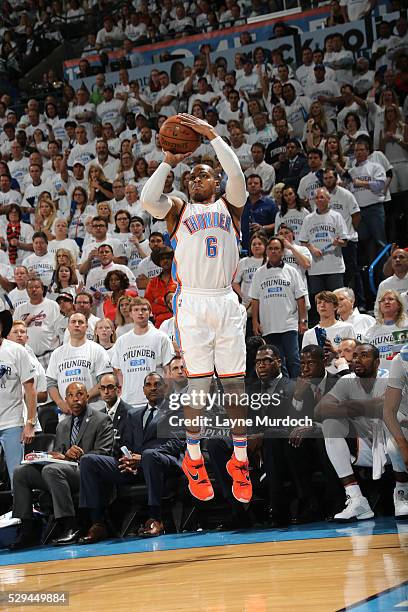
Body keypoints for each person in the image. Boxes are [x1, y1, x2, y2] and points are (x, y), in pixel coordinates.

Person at [141, 113, 253, 504]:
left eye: (203, 175)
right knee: (201, 388)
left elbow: (237, 175)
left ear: (216, 181)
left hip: (225, 299)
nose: (196, 180)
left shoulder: (231, 206)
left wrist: (212, 136)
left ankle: (239, 460)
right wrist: (169, 163)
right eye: (192, 177)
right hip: (192, 303)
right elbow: (146, 200)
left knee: (235, 385)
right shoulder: (177, 210)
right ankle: (193, 458)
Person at [79, 372, 183, 543]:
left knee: (149, 456)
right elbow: (124, 443)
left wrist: (141, 458)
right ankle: (97, 523)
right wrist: (126, 458)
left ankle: (155, 519)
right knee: (88, 461)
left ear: (165, 387)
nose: (152, 388)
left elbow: (177, 443)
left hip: (163, 464)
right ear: (143, 390)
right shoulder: (134, 414)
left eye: (157, 384)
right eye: (148, 385)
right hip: (134, 465)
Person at [10, 382, 114, 549]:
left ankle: (70, 524)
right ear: (65, 400)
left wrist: (81, 454)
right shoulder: (63, 425)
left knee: (52, 470)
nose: (75, 399)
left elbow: (105, 453)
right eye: (71, 396)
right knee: (21, 472)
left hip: (86, 473)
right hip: (60, 473)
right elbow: (59, 454)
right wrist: (51, 456)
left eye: (79, 394)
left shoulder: (101, 419)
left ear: (87, 397)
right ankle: (28, 529)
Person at [317, 344, 390, 521]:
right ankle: (356, 499)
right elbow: (320, 410)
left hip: (393, 445)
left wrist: (344, 406)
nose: (357, 360)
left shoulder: (389, 379)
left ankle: (402, 492)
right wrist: (360, 407)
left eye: (364, 356)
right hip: (366, 445)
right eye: (355, 356)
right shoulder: (347, 380)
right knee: (331, 424)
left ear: (377, 362)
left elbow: (382, 408)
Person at [250, 236, 308, 378]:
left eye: (277, 248)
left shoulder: (292, 271)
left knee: (294, 359)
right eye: (270, 248)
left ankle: (298, 392)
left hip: (289, 323)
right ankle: (284, 391)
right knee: (276, 362)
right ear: (267, 252)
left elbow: (300, 297)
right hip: (269, 325)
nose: (273, 251)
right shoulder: (259, 273)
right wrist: (255, 322)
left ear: (282, 252)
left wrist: (303, 320)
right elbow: (255, 299)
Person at [111, 298, 174, 408]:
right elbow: (118, 370)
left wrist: (167, 394)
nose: (140, 313)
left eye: (144, 309)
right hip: (128, 400)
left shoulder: (161, 337)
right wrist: (121, 392)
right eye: (136, 310)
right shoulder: (122, 341)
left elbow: (168, 370)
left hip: (155, 400)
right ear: (130, 313)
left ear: (150, 313)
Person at [47, 312, 112, 415]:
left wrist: (84, 398)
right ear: (68, 326)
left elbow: (104, 380)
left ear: (86, 327)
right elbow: (51, 383)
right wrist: (60, 403)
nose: (77, 324)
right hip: (66, 413)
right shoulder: (57, 353)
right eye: (73, 322)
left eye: (80, 322)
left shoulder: (97, 350)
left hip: (93, 410)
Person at [0, 310, 36, 488]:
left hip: (12, 422)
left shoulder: (16, 351)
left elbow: (30, 389)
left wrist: (30, 422)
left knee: (17, 476)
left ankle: (21, 514)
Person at [299, 187, 348, 301]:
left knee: (336, 300)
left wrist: (338, 242)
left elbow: (345, 242)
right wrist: (312, 248)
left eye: (322, 197)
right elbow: (303, 241)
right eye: (316, 197)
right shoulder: (308, 219)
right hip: (315, 268)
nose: (319, 200)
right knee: (319, 301)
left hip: (334, 267)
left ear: (328, 199)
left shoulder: (336, 216)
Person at [13, 277, 60, 367]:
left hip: (49, 355)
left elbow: (60, 331)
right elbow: (12, 331)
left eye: (36, 287)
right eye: (30, 288)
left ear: (42, 289)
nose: (33, 290)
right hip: (26, 356)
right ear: (26, 290)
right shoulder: (20, 309)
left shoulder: (53, 305)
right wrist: (25, 323)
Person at [363, 290, 408, 371]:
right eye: (383, 300)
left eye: (390, 299)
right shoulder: (372, 330)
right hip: (380, 376)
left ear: (399, 305)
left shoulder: (406, 325)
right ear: (379, 306)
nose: (386, 302)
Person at [145, 246, 177, 327]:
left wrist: (159, 300)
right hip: (159, 323)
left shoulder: (180, 279)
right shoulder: (153, 282)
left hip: (178, 319)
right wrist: (168, 304)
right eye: (162, 259)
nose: (165, 261)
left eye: (168, 258)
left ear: (173, 260)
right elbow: (148, 304)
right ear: (159, 262)